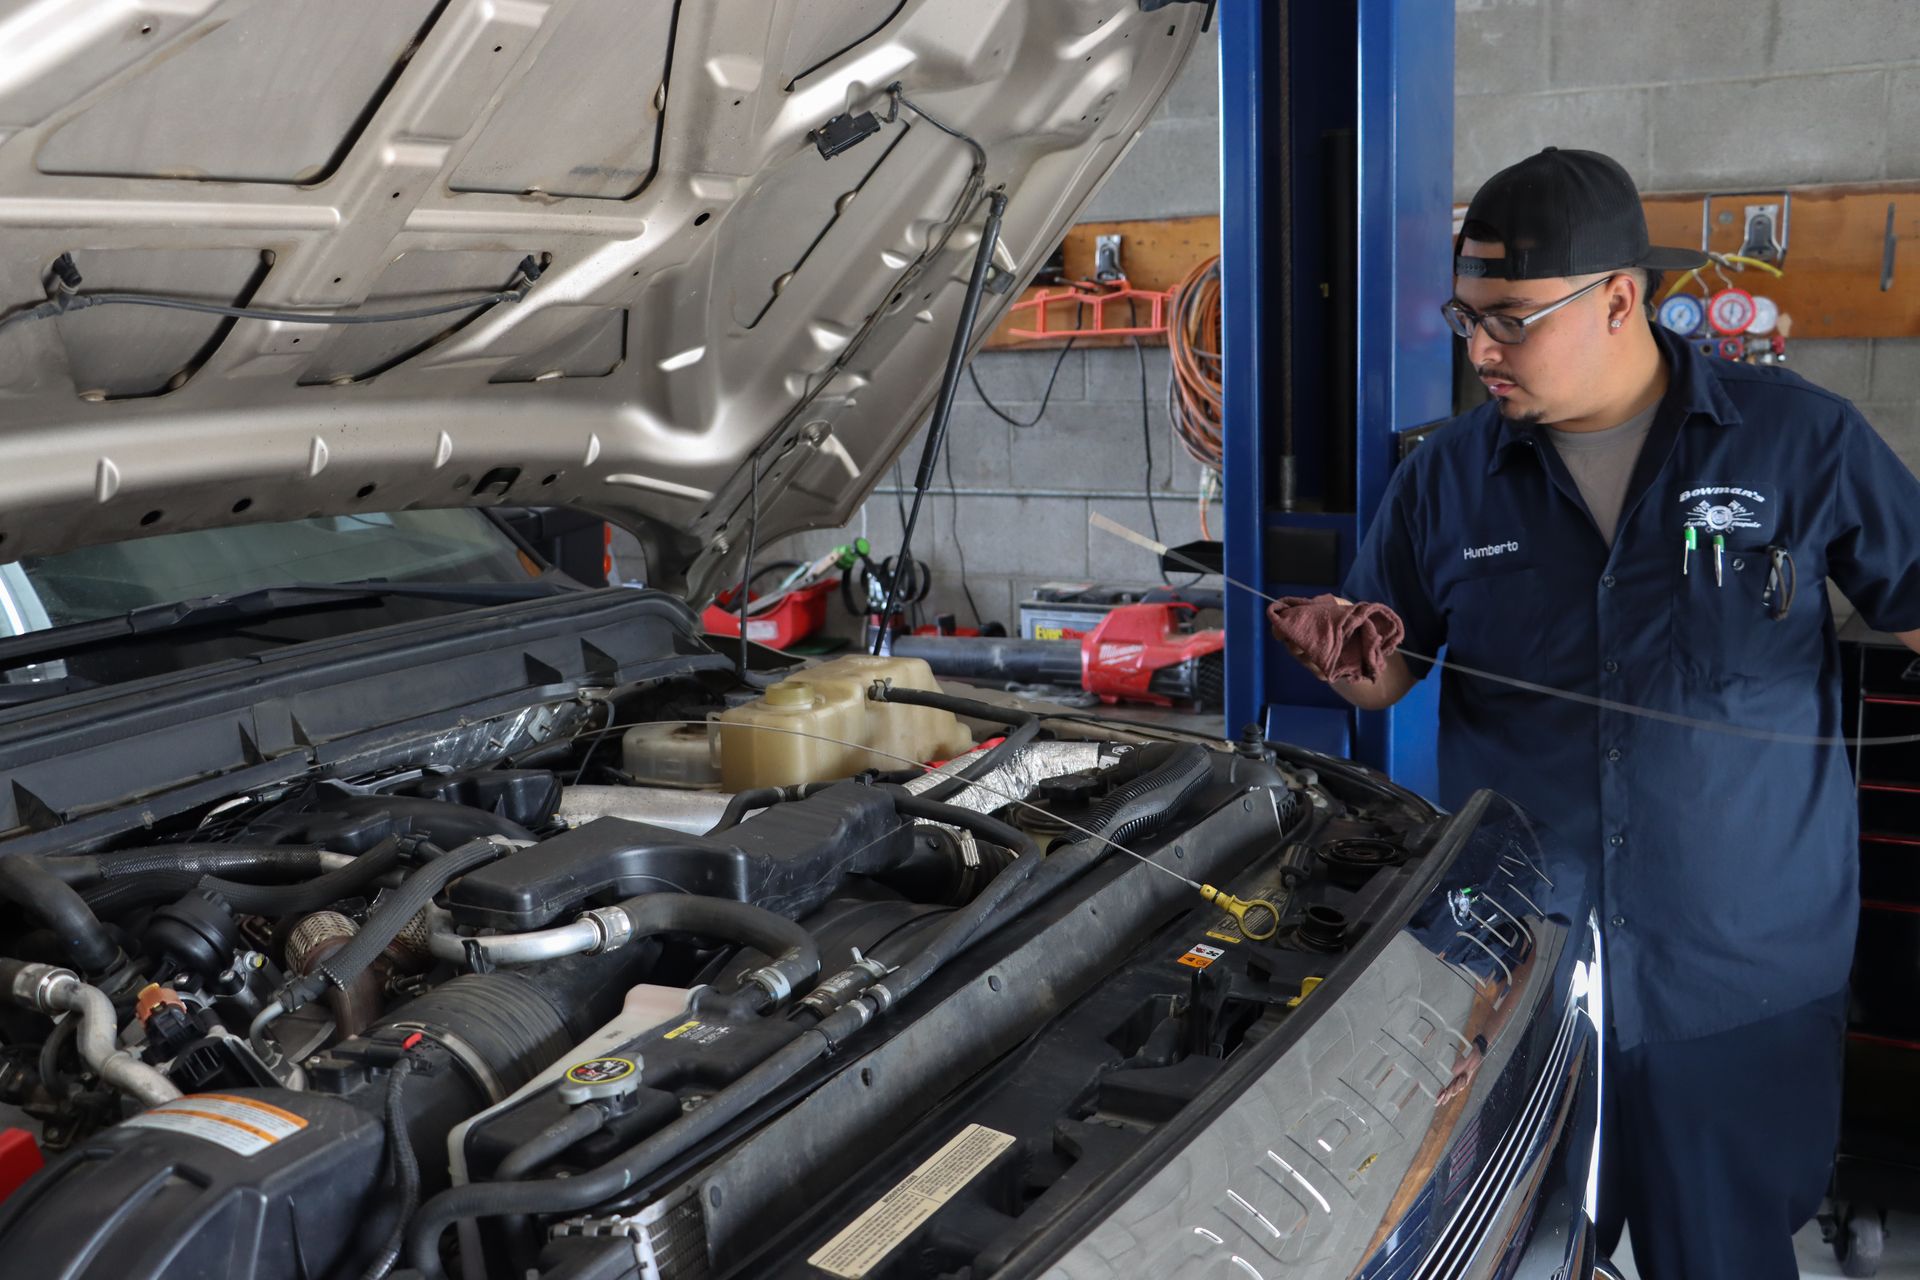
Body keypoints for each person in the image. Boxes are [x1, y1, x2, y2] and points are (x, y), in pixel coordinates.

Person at [1293, 147, 1920, 1278]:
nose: (1478, 349)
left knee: (1722, 1255)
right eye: (1465, 316)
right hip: (1517, 974)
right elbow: (1390, 667)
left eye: (1511, 320)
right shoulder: (1446, 478)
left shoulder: (1799, 443)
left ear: (1620, 298)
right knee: (1502, 1248)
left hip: (1737, 982)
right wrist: (1351, 654)